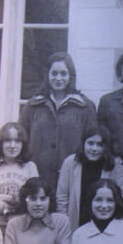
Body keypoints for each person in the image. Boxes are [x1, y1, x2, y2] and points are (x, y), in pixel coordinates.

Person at [19, 51, 98, 189]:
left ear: (71, 76)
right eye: (54, 73)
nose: (58, 78)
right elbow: (21, 140)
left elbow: (93, 144)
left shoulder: (85, 107)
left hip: (72, 179)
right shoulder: (33, 106)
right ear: (48, 75)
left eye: (63, 74)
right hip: (38, 177)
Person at [56, 129, 123, 232]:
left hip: (107, 225)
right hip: (76, 223)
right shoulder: (71, 162)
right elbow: (62, 198)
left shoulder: (117, 165)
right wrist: (65, 226)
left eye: (99, 145)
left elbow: (121, 199)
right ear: (83, 144)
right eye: (90, 143)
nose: (94, 149)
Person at [0, 122, 39, 233]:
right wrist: (8, 206)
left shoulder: (30, 167)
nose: (12, 146)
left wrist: (0, 198)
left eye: (17, 141)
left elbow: (34, 199)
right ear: (0, 143)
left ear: (23, 144)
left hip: (22, 227)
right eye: (8, 140)